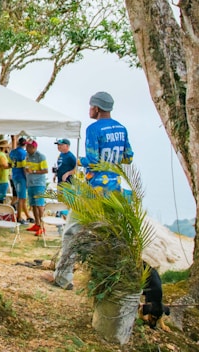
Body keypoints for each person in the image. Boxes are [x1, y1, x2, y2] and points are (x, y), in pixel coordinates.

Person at [50, 91, 134, 290]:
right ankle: (108, 279)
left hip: (93, 190)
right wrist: (112, 160)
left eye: (90, 106)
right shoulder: (121, 128)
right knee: (108, 235)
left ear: (96, 108)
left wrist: (80, 161)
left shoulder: (94, 129)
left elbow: (93, 161)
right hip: (114, 190)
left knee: (72, 231)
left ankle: (63, 277)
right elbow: (129, 157)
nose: (89, 110)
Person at [24, 140, 49, 235]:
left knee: (39, 205)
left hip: (39, 184)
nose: (27, 148)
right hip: (30, 183)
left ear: (34, 147)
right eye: (26, 146)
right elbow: (27, 168)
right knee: (33, 205)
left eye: (29, 147)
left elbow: (45, 170)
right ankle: (37, 224)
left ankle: (42, 226)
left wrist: (33, 172)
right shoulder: (27, 156)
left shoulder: (40, 156)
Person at [8, 137, 32, 223]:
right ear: (25, 144)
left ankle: (26, 215)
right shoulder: (23, 154)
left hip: (14, 176)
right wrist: (27, 178)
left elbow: (9, 164)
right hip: (21, 177)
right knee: (21, 198)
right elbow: (24, 168)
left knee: (21, 197)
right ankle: (19, 217)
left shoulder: (12, 152)